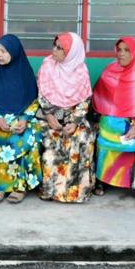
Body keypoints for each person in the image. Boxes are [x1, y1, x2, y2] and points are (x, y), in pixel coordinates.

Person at [92, 37, 135, 206]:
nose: (121, 54)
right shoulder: (110, 71)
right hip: (113, 116)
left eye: (127, 50)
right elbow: (100, 98)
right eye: (119, 50)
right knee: (108, 128)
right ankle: (103, 178)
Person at [0, 34, 43, 203]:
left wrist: (24, 119)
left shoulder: (25, 73)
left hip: (21, 117)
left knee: (27, 134)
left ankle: (20, 187)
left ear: (14, 52)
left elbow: (34, 101)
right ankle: (0, 186)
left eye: (4, 51)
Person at [36, 32, 96, 203]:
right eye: (54, 46)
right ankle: (51, 190)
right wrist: (49, 116)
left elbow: (84, 100)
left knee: (82, 138)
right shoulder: (47, 65)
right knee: (51, 139)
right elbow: (42, 95)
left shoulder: (81, 70)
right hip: (50, 115)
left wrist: (75, 122)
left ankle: (76, 192)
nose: (54, 50)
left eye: (60, 48)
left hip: (74, 116)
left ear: (71, 53)